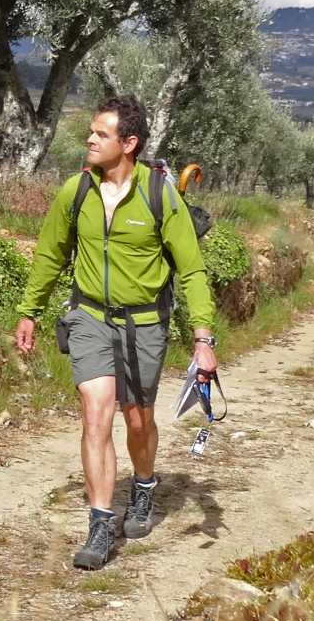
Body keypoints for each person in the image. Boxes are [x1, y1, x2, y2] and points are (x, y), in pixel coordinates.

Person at [14, 94, 218, 570]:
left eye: (101, 134)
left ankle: (143, 486)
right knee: (95, 413)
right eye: (91, 131)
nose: (90, 139)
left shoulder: (159, 194)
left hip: (145, 322)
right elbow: (49, 254)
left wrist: (203, 339)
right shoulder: (76, 191)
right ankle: (101, 523)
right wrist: (29, 311)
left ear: (129, 143)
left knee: (138, 419)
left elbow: (191, 271)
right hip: (88, 316)